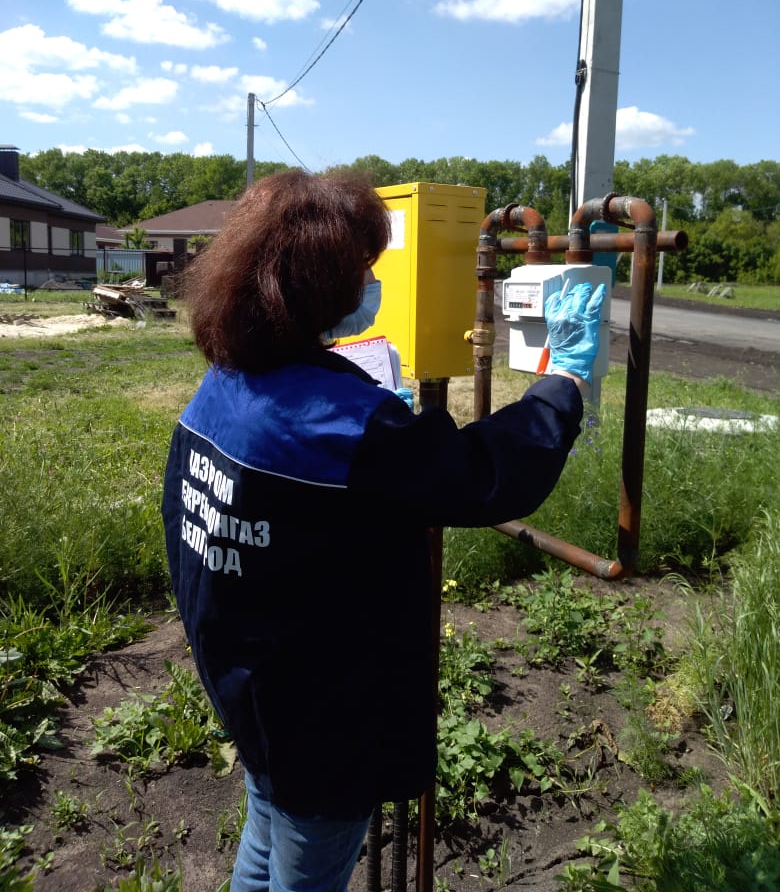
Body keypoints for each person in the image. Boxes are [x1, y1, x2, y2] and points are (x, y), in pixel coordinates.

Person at [161, 169, 605, 892]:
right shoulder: (345, 423)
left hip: (248, 683)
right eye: (361, 270)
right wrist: (564, 383)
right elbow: (480, 475)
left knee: (266, 836)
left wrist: (369, 410)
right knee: (308, 865)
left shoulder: (226, 380)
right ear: (321, 288)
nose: (371, 283)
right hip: (318, 714)